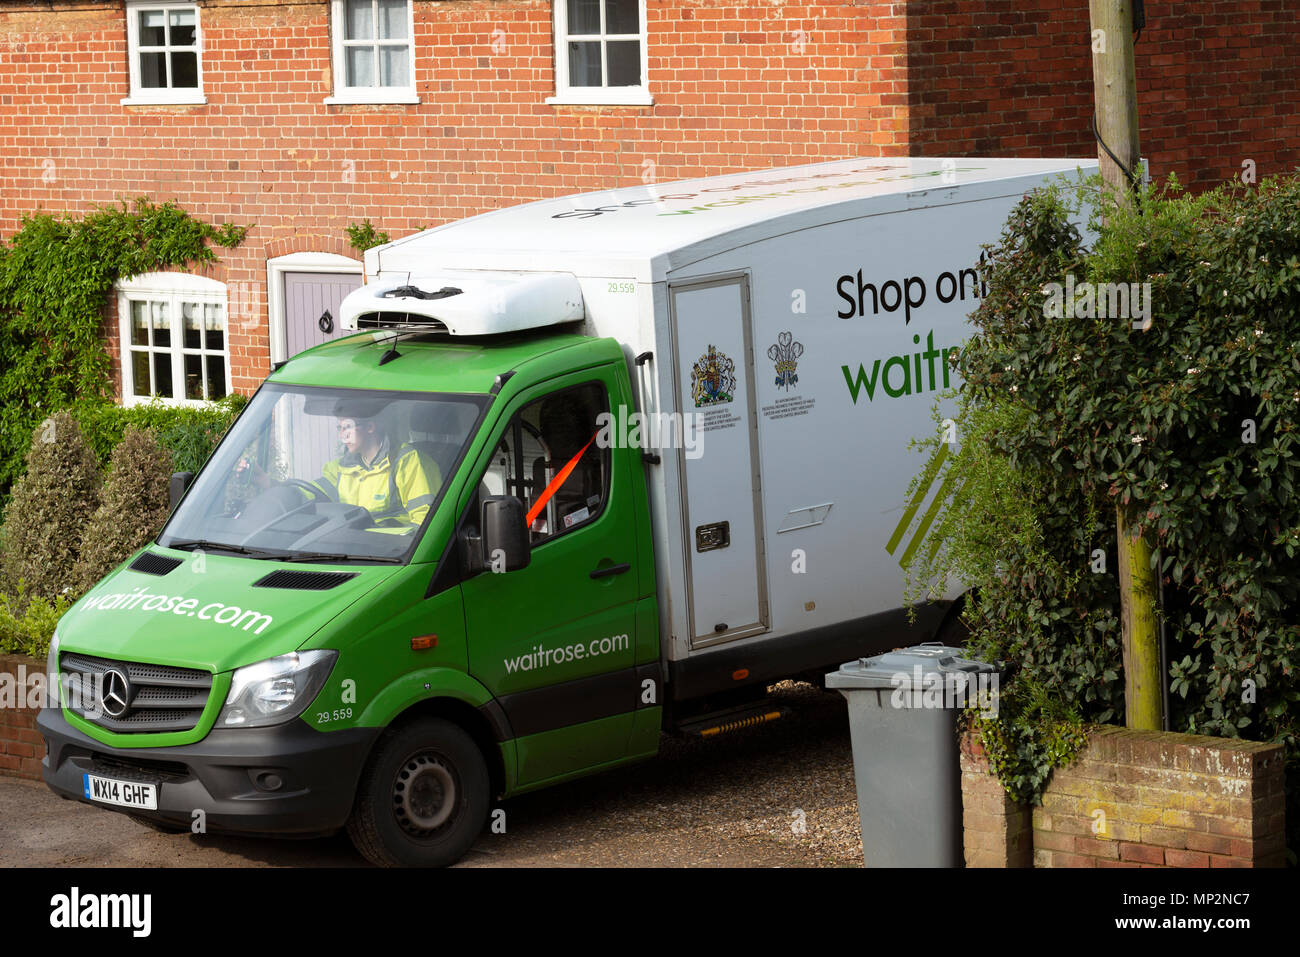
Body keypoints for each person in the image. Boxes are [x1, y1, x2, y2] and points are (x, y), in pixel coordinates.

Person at [312, 408, 441, 527]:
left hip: (393, 548)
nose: (342, 436)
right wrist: (294, 494)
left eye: (347, 427)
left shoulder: (407, 461)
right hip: (351, 543)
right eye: (339, 428)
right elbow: (312, 492)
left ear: (370, 427)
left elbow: (425, 521)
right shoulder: (340, 468)